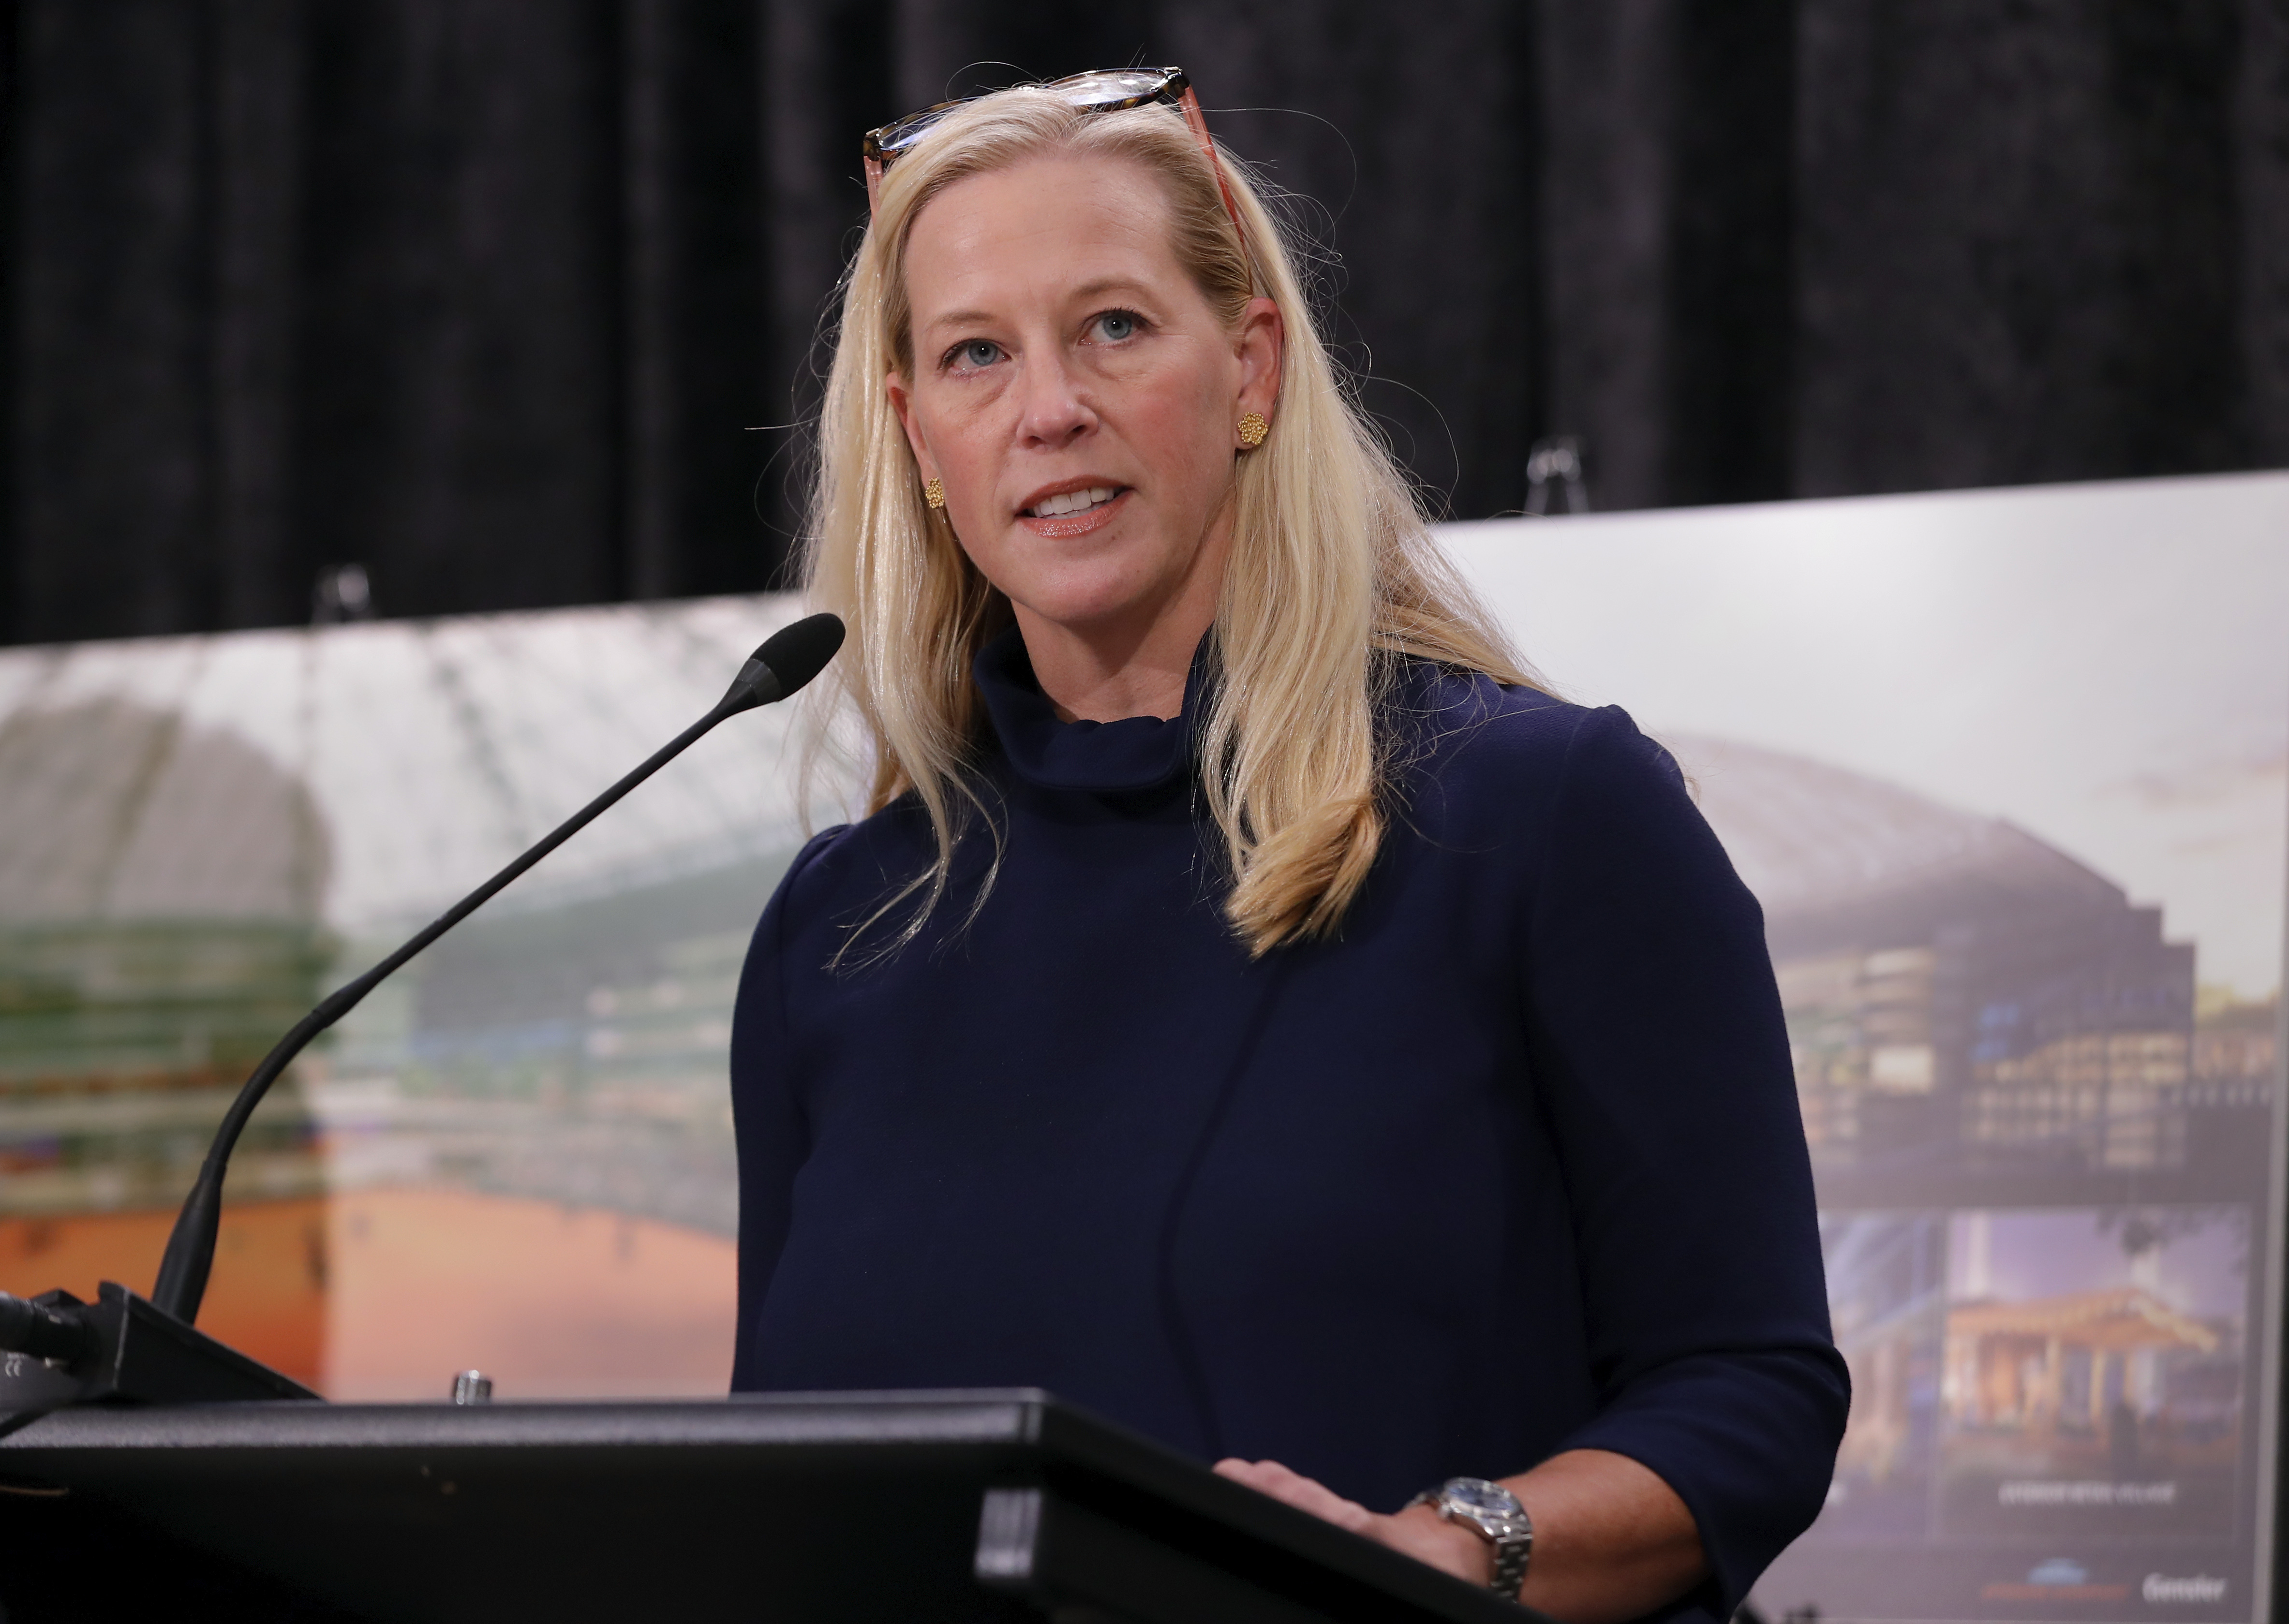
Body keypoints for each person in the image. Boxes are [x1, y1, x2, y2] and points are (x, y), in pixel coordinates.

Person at [728, 69, 1847, 1624]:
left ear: (1250, 368)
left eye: (1115, 327)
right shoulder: (840, 926)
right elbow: (777, 1491)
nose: (1049, 407)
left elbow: (1749, 1396)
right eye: (977, 355)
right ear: (920, 435)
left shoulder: (1542, 815)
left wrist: (1448, 1551)